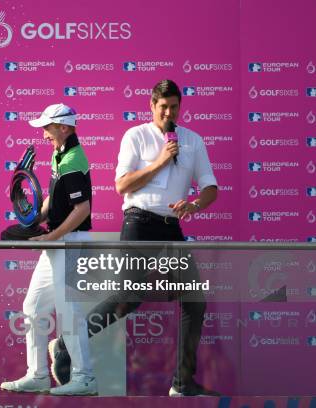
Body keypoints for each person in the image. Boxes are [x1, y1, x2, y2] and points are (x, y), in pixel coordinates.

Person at [48, 79, 219, 396]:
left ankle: (182, 383)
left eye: (174, 107)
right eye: (163, 107)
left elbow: (210, 186)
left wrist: (194, 204)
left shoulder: (193, 140)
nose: (169, 113)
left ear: (180, 107)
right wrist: (161, 161)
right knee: (128, 299)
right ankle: (66, 345)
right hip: (139, 224)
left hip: (171, 229)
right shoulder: (135, 136)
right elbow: (123, 185)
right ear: (152, 106)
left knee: (194, 302)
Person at [0, 103, 98, 396]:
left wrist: (51, 235)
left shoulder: (71, 160)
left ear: (65, 128)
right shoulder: (60, 155)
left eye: (47, 128)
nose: (43, 135)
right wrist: (34, 218)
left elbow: (82, 209)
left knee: (70, 312)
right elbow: (54, 204)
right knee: (33, 307)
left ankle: (85, 377)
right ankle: (39, 375)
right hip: (57, 242)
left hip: (69, 241)